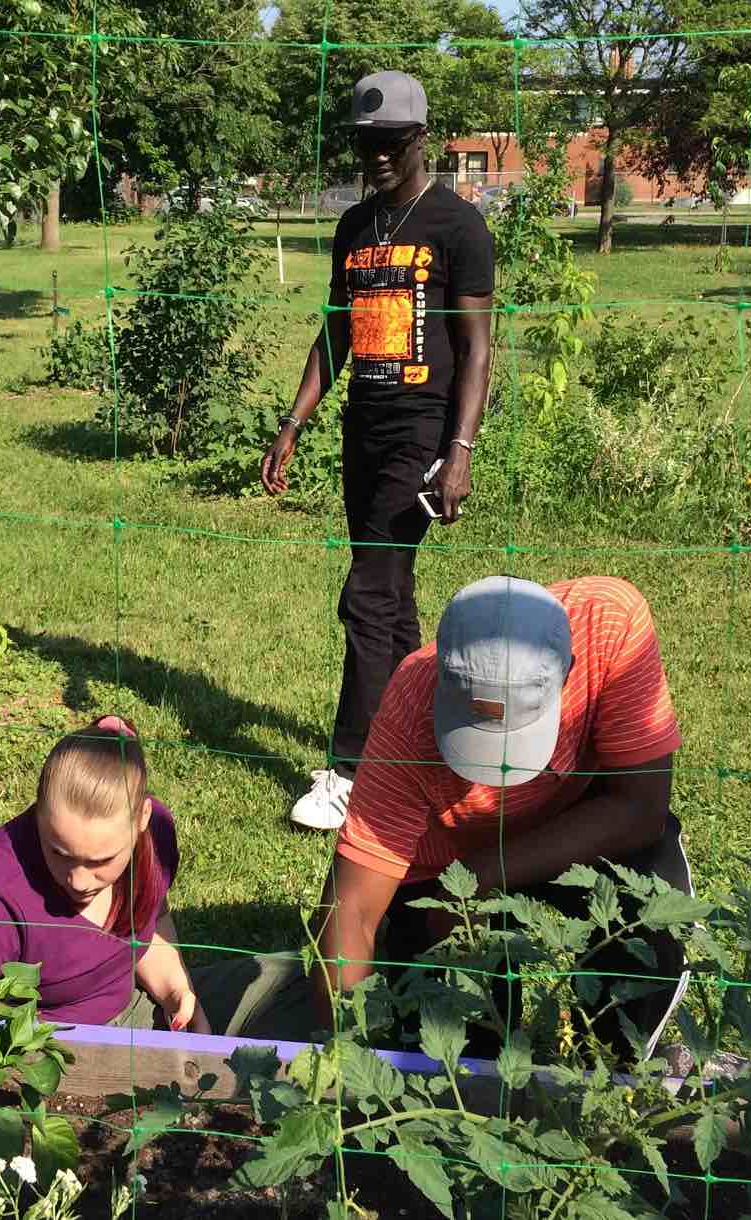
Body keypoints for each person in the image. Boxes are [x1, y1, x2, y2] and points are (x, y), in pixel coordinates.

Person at [310, 575, 689, 1054]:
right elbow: (352, 909)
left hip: (582, 825)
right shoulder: (410, 705)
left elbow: (639, 808)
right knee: (455, 1041)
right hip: (446, 863)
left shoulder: (609, 624)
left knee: (646, 938)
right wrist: (339, 1055)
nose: (500, 773)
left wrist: (485, 871)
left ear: (568, 672)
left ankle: (611, 1066)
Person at [263, 70, 495, 834]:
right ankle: (421, 741)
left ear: (422, 138)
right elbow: (336, 331)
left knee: (366, 594)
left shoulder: (458, 227)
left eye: (392, 143)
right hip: (362, 429)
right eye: (367, 146)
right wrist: (294, 421)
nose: (379, 158)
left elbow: (478, 349)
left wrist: (460, 449)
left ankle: (352, 773)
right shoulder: (355, 227)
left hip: (423, 434)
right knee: (389, 596)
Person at [0, 717, 312, 1040]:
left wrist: (176, 990)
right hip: (49, 1048)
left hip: (135, 1009)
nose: (78, 880)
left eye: (101, 861)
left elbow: (148, 924)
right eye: (59, 853)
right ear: (39, 814)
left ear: (142, 820)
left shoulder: (154, 836)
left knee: (310, 982)